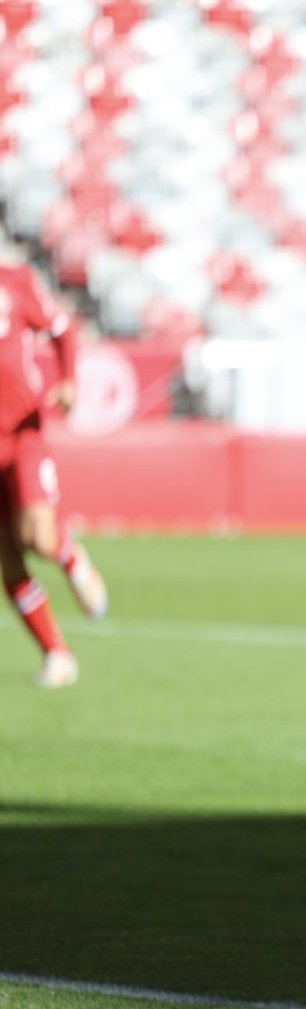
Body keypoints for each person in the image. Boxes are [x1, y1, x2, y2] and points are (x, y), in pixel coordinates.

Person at [0, 257, 107, 688]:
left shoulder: (15, 282)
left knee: (38, 538)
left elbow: (62, 331)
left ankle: (69, 553)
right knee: (8, 561)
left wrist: (69, 381)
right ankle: (57, 654)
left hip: (22, 433)